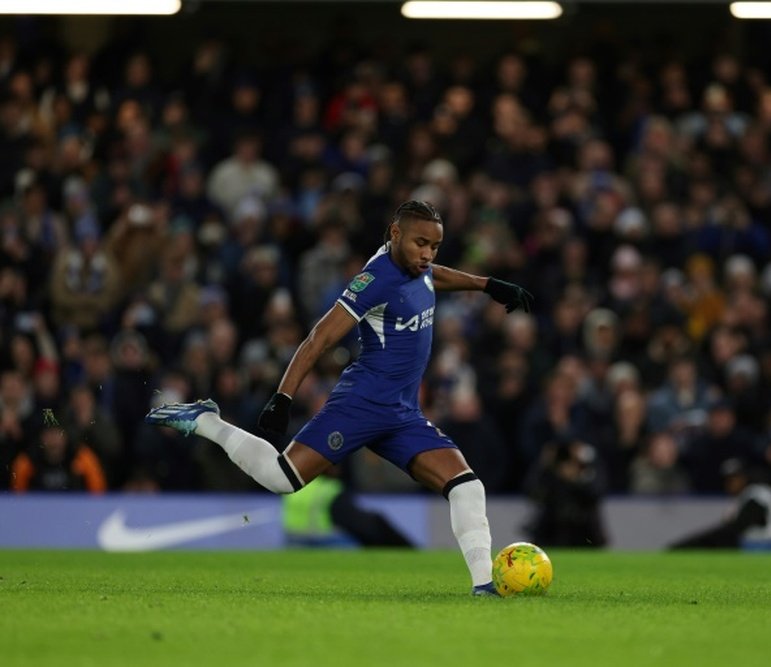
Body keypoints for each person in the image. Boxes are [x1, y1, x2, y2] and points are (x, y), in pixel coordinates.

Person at [145, 200, 533, 596]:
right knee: (282, 478)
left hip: (402, 413)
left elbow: (433, 277)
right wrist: (283, 396)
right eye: (421, 244)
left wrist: (486, 284)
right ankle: (207, 421)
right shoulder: (375, 279)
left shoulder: (417, 265)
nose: (428, 255)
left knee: (467, 486)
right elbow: (320, 338)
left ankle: (484, 586)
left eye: (435, 246)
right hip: (360, 405)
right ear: (395, 234)